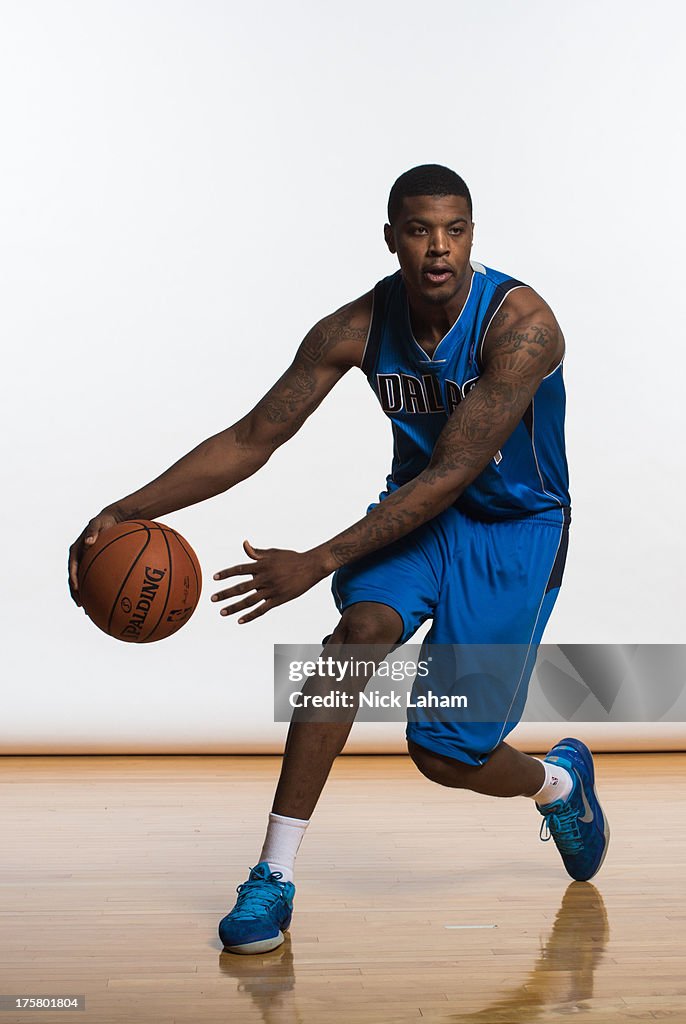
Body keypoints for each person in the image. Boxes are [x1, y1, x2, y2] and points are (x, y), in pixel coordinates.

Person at [69, 164, 609, 957]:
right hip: (417, 517)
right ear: (391, 238)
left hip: (514, 531)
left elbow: (456, 468)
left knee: (442, 749)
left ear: (472, 236)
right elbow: (253, 438)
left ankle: (560, 784)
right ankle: (272, 877)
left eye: (455, 230)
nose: (439, 249)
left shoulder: (522, 326)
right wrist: (126, 511)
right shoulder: (353, 329)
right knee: (354, 639)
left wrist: (316, 560)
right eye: (420, 230)